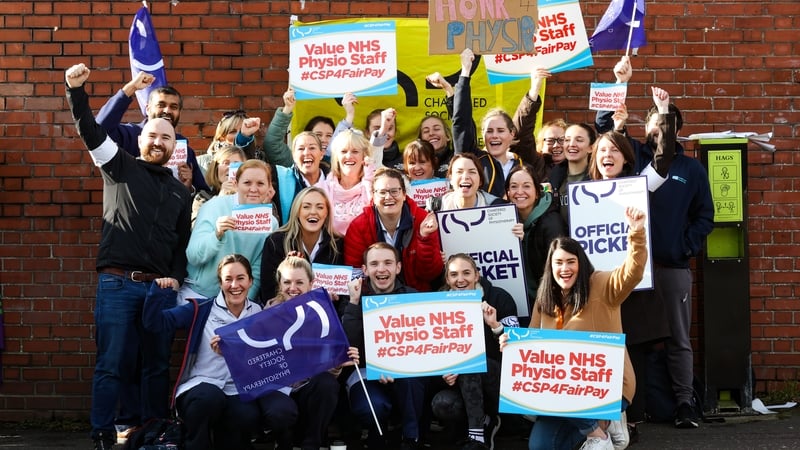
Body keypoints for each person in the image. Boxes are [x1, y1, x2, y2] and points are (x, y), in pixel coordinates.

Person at [65, 63, 192, 450]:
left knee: (156, 366)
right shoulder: (117, 165)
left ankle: (153, 429)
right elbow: (90, 129)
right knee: (112, 364)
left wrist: (173, 277)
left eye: (166, 139)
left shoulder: (180, 192)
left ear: (175, 146)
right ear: (140, 138)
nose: (158, 142)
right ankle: (103, 433)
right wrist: (75, 91)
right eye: (152, 135)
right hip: (117, 284)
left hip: (158, 290)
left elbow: (180, 245)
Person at [597, 80, 714, 430]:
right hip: (629, 269)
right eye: (656, 121)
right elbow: (605, 131)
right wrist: (619, 85)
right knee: (629, 335)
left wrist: (684, 247)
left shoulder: (691, 169)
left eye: (667, 122)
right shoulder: (636, 161)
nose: (660, 128)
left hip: (669, 267)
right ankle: (632, 409)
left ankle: (683, 403)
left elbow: (705, 216)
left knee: (678, 338)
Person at [503, 206, 647, 450]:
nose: (565, 269)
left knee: (577, 429)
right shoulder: (545, 297)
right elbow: (532, 345)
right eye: (558, 262)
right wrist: (512, 345)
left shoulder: (601, 284)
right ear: (551, 266)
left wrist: (636, 233)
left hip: (608, 386)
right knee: (540, 445)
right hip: (563, 393)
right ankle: (600, 425)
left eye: (571, 262)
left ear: (581, 263)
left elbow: (632, 273)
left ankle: (598, 434)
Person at [142, 254, 262, 450]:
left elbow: (265, 356)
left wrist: (234, 353)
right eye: (228, 279)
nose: (234, 285)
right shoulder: (201, 309)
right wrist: (157, 292)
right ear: (220, 283)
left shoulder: (259, 313)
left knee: (247, 415)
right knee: (209, 399)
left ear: (250, 281)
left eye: (240, 278)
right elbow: (154, 324)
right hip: (201, 385)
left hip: (237, 389)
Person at [259, 255, 359, 450]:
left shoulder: (323, 315)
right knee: (281, 411)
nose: (292, 288)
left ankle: (312, 444)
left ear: (311, 284)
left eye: (299, 282)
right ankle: (283, 443)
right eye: (287, 282)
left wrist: (338, 363)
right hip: (279, 390)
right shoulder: (265, 315)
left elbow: (328, 369)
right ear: (279, 284)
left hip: (308, 388)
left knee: (327, 384)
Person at [342, 243, 428, 450]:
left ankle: (411, 438)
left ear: (398, 267)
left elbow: (425, 346)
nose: (381, 269)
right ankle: (376, 437)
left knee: (411, 380)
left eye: (388, 263)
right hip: (365, 373)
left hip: (407, 374)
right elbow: (347, 346)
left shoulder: (413, 296)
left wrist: (393, 367)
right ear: (364, 270)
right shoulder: (352, 298)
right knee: (372, 408)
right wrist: (354, 303)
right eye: (374, 264)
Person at [437, 254, 519, 450]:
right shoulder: (437, 304)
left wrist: (495, 326)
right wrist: (443, 373)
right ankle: (482, 422)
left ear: (477, 276)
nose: (460, 279)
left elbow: (517, 351)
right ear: (447, 279)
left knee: (472, 362)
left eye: (466, 273)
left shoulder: (499, 297)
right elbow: (430, 353)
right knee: (442, 404)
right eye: (454, 274)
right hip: (459, 386)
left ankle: (476, 436)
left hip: (497, 380)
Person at [95, 70, 209, 194]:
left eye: (174, 107)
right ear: (148, 109)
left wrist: (189, 187)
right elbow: (99, 128)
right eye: (161, 105)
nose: (167, 110)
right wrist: (131, 88)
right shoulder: (130, 135)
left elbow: (203, 196)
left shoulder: (185, 150)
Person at [452, 49, 547, 197]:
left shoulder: (522, 163)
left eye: (500, 131)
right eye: (489, 131)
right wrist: (465, 72)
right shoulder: (474, 160)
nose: (494, 136)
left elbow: (525, 125)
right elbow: (461, 121)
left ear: (512, 134)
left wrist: (534, 89)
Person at [185, 159, 277, 303]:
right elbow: (193, 256)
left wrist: (244, 302)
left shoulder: (271, 222)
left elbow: (258, 269)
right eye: (247, 183)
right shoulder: (213, 206)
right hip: (199, 295)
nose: (253, 189)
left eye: (260, 183)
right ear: (236, 183)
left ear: (269, 187)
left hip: (237, 302)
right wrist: (216, 234)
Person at [344, 167, 443, 292]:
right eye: (382, 192)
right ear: (373, 197)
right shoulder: (358, 226)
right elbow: (356, 275)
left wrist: (425, 239)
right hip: (374, 297)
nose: (388, 197)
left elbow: (430, 274)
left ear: (404, 195)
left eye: (394, 191)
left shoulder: (423, 219)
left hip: (416, 296)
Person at [260, 186, 343, 302]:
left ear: (327, 213)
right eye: (306, 207)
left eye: (320, 207)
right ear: (297, 211)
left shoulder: (339, 245)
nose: (313, 212)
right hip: (285, 314)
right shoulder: (275, 242)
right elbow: (268, 291)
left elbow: (343, 294)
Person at [505, 164, 567, 313]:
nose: (519, 192)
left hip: (548, 303)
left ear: (537, 192)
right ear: (507, 192)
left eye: (526, 186)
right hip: (519, 303)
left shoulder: (552, 223)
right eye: (514, 187)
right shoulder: (504, 220)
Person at [324, 128, 383, 236]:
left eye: (355, 151)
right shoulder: (323, 188)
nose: (349, 156)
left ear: (364, 157)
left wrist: (369, 180)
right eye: (343, 151)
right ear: (336, 157)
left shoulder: (375, 186)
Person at [258, 87, 336, 164]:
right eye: (318, 134)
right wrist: (288, 108)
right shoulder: (294, 163)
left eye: (329, 135)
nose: (324, 140)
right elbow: (272, 144)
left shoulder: (342, 165)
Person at [548, 123, 596, 223]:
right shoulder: (553, 177)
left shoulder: (599, 178)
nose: (572, 144)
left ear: (591, 148)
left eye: (579, 140)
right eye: (567, 140)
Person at [426, 153, 506, 212]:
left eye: (472, 172)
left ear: (480, 180)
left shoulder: (497, 206)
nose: (465, 177)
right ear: (451, 179)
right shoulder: (435, 206)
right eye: (459, 172)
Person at [191, 144, 247, 227]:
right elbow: (197, 228)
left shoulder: (252, 195)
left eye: (236, 164)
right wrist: (221, 198)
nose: (230, 167)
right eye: (226, 163)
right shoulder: (202, 197)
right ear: (216, 168)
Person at [198, 110, 259, 174]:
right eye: (232, 131)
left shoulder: (260, 159)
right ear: (221, 137)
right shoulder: (201, 162)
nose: (238, 135)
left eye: (242, 131)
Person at [420, 72, 456, 178]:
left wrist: (448, 89)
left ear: (448, 136)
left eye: (436, 129)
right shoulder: (413, 163)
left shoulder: (457, 157)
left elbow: (462, 123)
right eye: (426, 131)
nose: (431, 133)